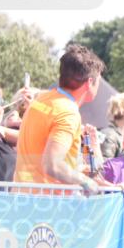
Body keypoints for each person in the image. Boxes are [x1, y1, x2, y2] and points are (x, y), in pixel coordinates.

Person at [13, 44, 106, 194]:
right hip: (48, 202)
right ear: (89, 82)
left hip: (22, 195)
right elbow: (52, 165)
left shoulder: (42, 99)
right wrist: (86, 181)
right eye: (98, 81)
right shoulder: (68, 112)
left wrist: (77, 169)